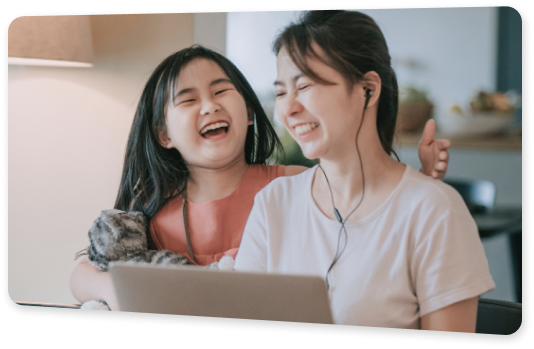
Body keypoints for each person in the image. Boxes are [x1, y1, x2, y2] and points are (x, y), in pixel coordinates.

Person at [70, 45, 451, 311]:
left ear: (250, 113)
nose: (210, 105)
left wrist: (421, 179)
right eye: (188, 100)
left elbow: (371, 217)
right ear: (163, 135)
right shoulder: (151, 205)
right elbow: (82, 272)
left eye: (221, 91)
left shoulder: (291, 183)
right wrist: (111, 288)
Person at [234, 10, 495, 332]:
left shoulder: (435, 211)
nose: (288, 109)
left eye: (304, 86)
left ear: (367, 89)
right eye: (281, 92)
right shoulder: (272, 203)